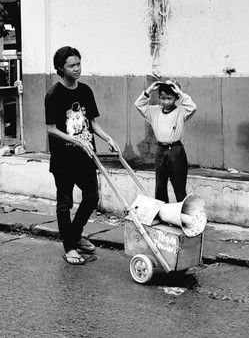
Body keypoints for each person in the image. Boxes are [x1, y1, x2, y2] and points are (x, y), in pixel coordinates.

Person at [45, 46, 119, 265]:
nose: (77, 69)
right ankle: (69, 248)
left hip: (86, 155)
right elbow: (51, 128)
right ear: (60, 68)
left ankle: (75, 235)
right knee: (64, 202)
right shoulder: (54, 94)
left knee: (92, 198)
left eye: (78, 64)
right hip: (63, 158)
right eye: (71, 65)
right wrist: (75, 140)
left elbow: (92, 123)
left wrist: (108, 139)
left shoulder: (85, 91)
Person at [134, 79, 197, 203]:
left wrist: (179, 91)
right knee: (160, 186)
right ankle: (162, 214)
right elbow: (138, 104)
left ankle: (182, 215)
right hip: (160, 150)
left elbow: (193, 107)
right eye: (163, 98)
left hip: (176, 150)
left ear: (176, 98)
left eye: (170, 98)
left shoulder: (181, 111)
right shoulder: (154, 111)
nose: (166, 101)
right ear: (158, 98)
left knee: (179, 186)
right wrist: (149, 89)